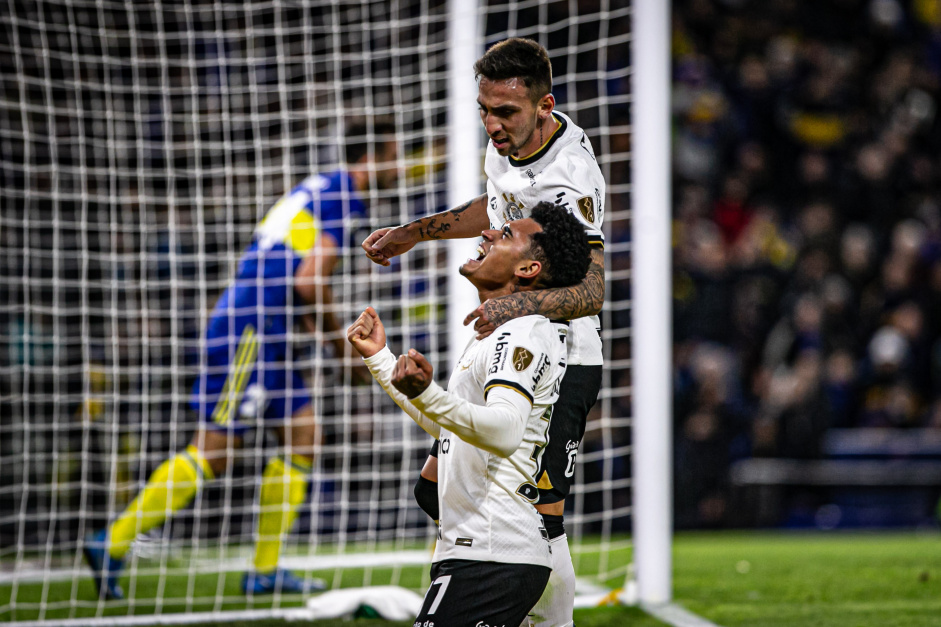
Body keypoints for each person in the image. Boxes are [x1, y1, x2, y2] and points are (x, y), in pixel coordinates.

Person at [83, 119, 399, 600]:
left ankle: (265, 571)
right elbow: (309, 283)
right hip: (248, 330)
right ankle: (113, 542)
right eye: (395, 155)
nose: (401, 167)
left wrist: (335, 350)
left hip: (267, 330)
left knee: (303, 434)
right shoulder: (344, 197)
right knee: (214, 450)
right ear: (372, 158)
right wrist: (341, 348)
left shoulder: (321, 187)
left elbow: (299, 284)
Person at [361, 37, 605, 626]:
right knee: (434, 490)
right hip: (509, 342)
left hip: (561, 358)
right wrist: (415, 231)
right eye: (485, 110)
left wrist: (514, 309)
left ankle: (529, 608)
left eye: (506, 112)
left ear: (544, 106)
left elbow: (592, 291)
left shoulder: (570, 179)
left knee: (540, 514)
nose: (492, 125)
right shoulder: (506, 147)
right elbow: (496, 209)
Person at [349, 202, 592, 626]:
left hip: (493, 555)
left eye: (506, 235)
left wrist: (429, 393)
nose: (489, 234)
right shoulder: (496, 332)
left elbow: (504, 431)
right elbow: (452, 431)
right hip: (492, 552)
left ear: (529, 269)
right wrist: (382, 362)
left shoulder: (522, 333)